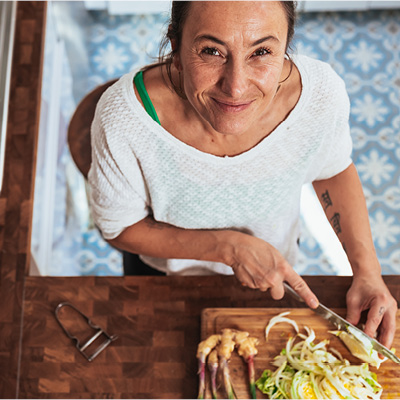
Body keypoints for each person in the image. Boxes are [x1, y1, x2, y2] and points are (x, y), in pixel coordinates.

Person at [88, 1, 397, 348]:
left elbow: (333, 169)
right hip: (165, 278)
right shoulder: (124, 119)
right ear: (175, 46)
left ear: (286, 47)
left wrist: (368, 272)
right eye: (212, 51)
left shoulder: (320, 97)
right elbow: (119, 228)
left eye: (262, 51)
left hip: (272, 272)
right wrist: (229, 248)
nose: (235, 87)